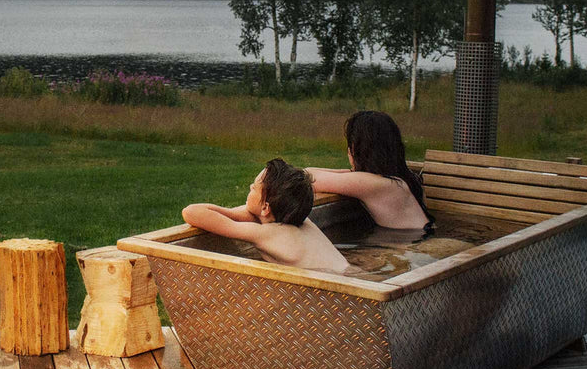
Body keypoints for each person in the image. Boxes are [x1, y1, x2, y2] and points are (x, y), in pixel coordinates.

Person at [181, 158, 356, 273]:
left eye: (254, 187)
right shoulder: (302, 220)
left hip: (339, 286)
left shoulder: (265, 233)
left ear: (265, 207)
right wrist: (252, 212)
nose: (250, 187)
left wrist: (230, 213)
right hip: (353, 273)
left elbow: (191, 212)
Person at [304, 110, 433, 231]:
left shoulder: (377, 184)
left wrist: (353, 169)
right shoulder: (406, 179)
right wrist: (353, 171)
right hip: (423, 238)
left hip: (413, 244)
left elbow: (308, 176)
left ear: (357, 149)